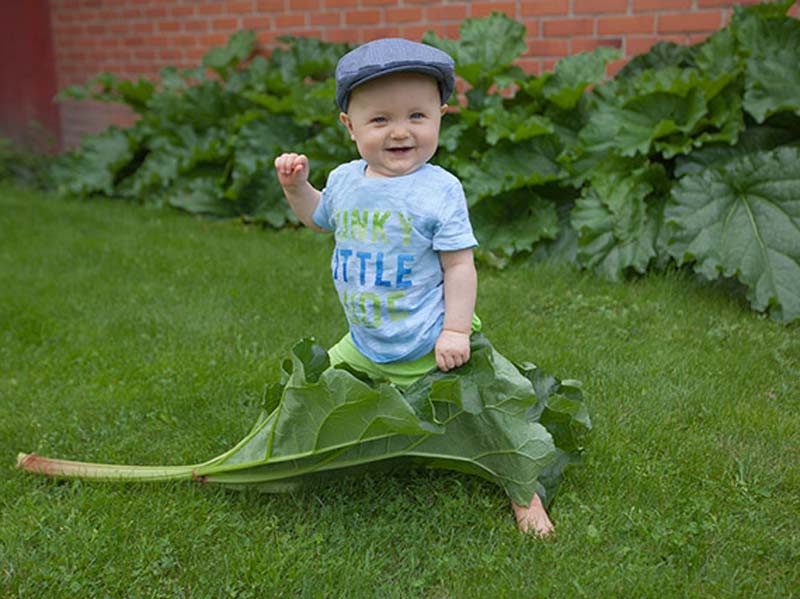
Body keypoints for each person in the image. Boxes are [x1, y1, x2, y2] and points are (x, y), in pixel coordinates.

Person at [274, 38, 554, 536]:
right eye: (380, 120)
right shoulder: (343, 181)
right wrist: (298, 189)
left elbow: (459, 267)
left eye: (417, 116)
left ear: (440, 116)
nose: (400, 132)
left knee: (489, 416)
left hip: (431, 340)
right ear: (350, 126)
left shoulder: (439, 190)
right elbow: (319, 218)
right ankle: (290, 462)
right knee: (312, 394)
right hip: (365, 342)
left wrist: (455, 331)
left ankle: (523, 492)